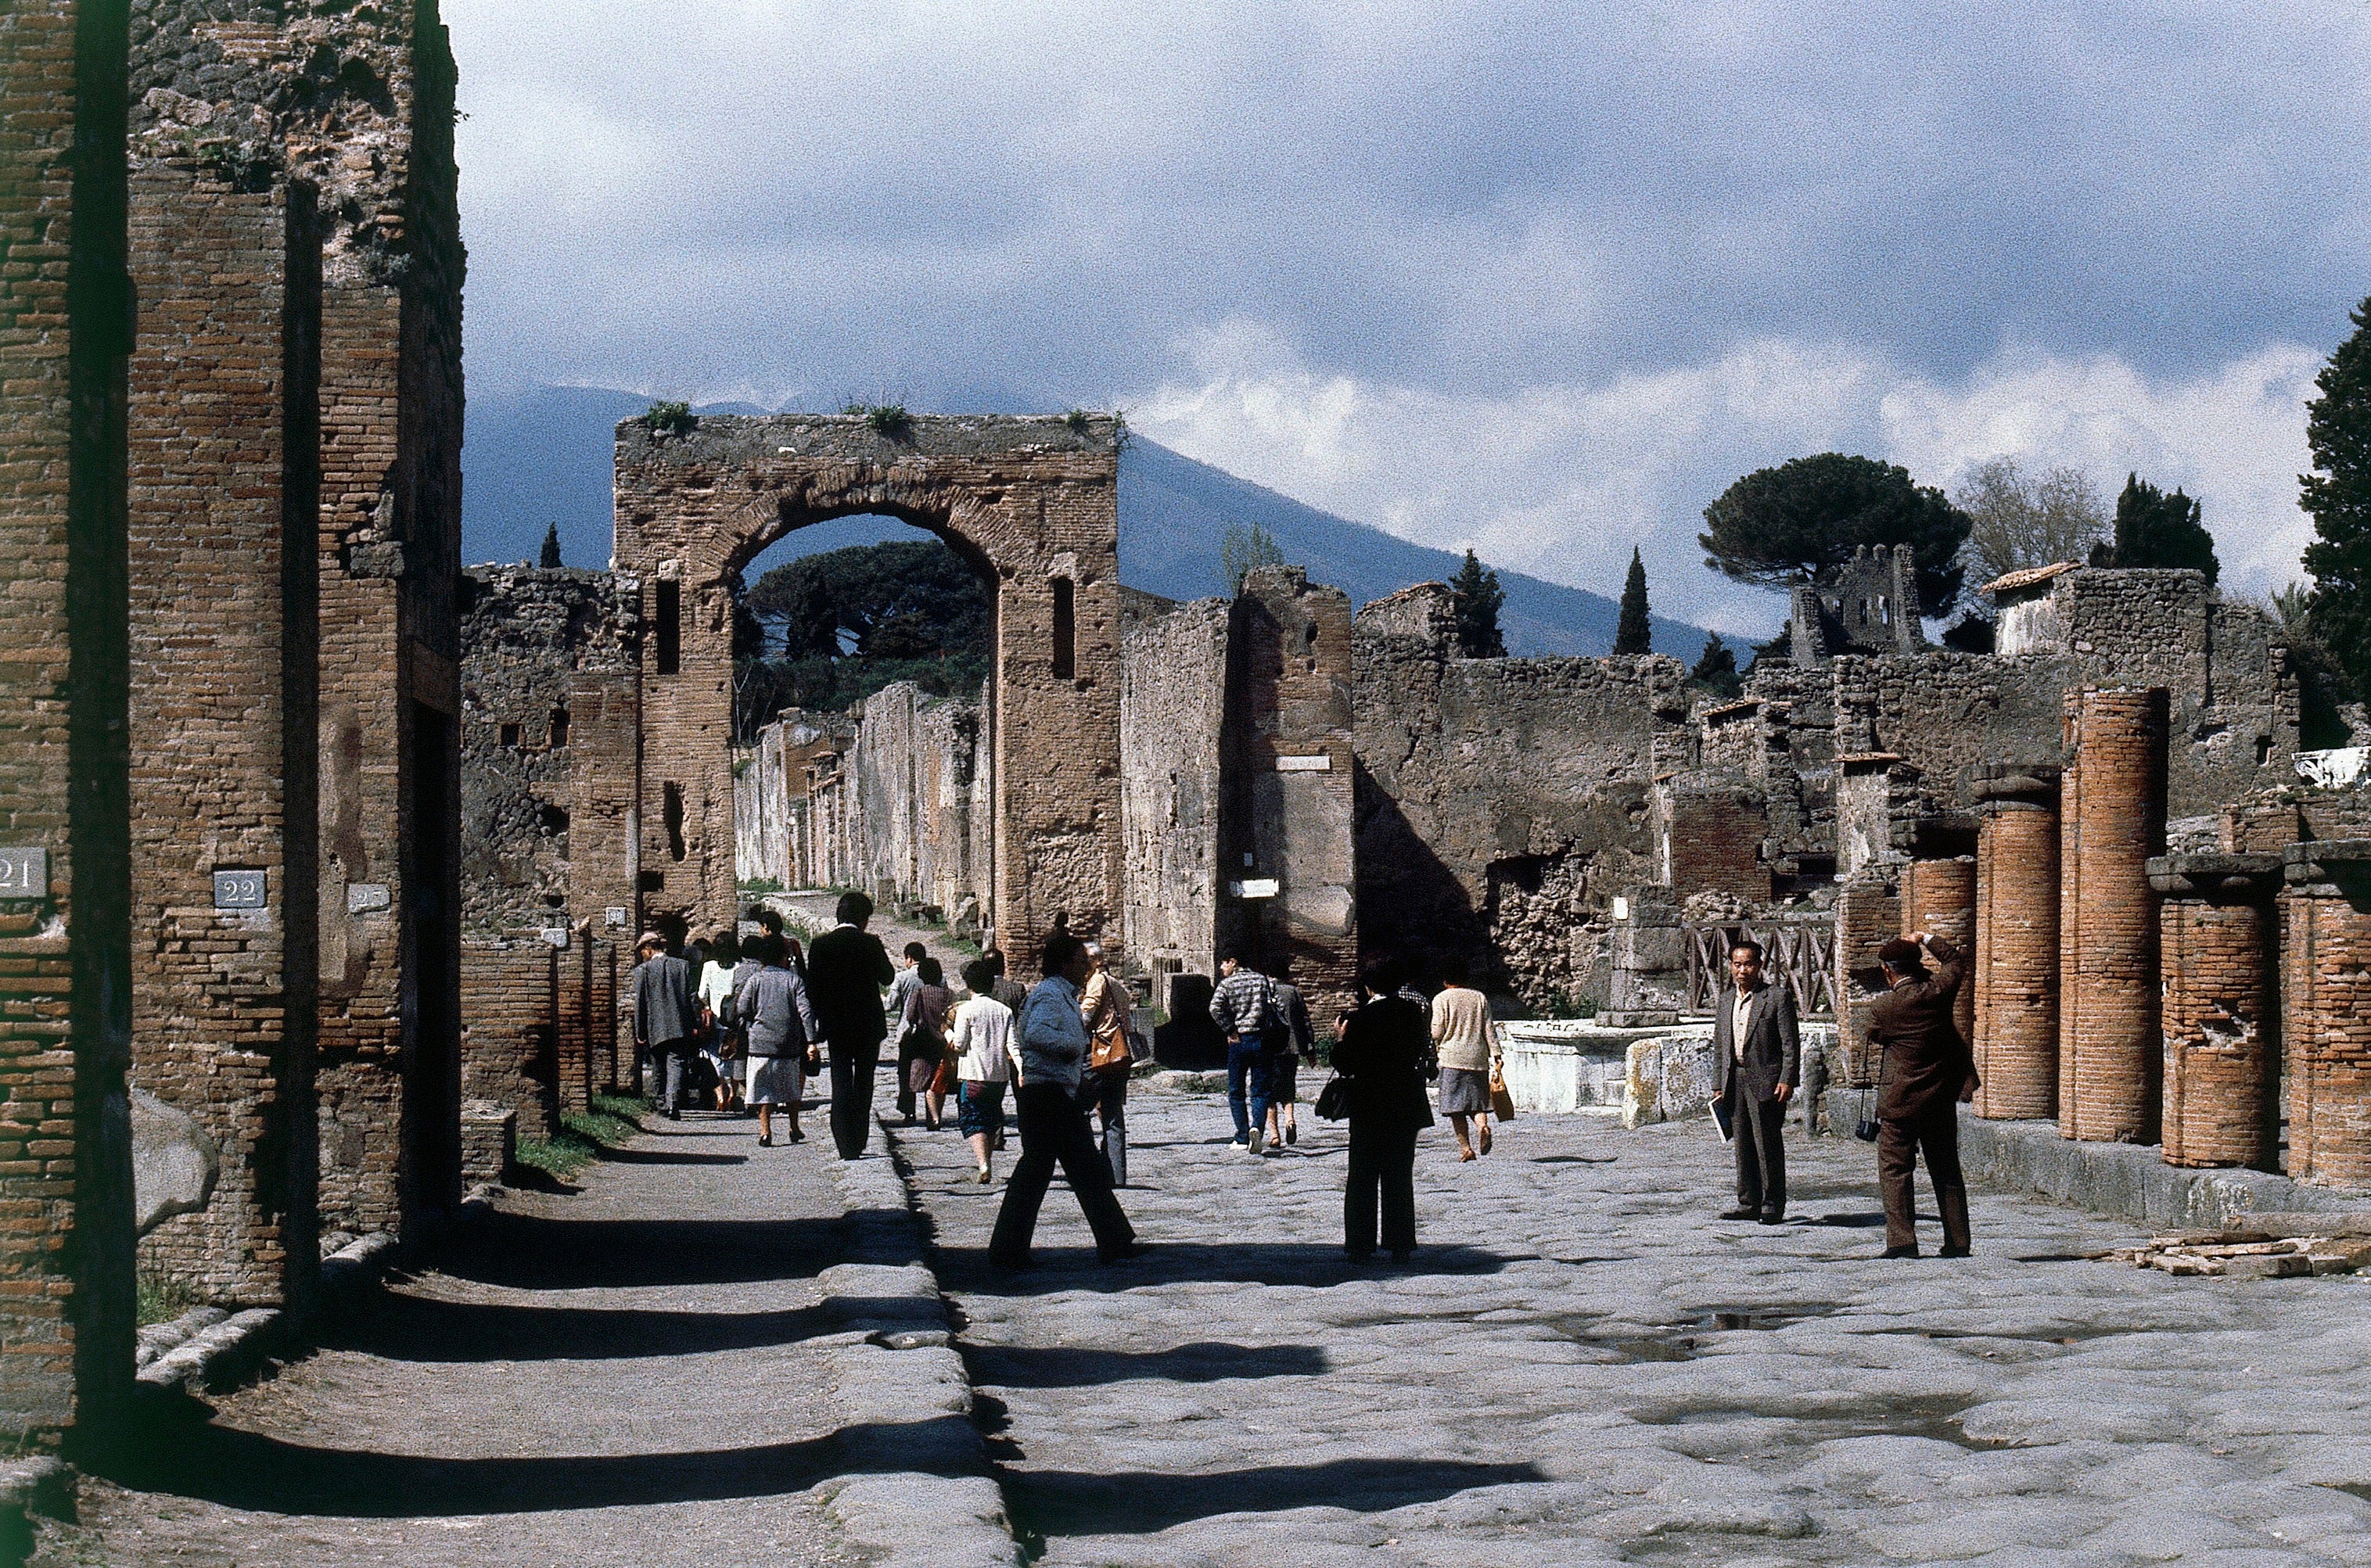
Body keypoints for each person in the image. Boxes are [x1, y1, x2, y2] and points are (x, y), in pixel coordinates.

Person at [987, 933, 1139, 1268]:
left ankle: (1115, 1240)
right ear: (1065, 963)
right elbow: (1036, 1035)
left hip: (1059, 1092)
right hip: (1047, 1094)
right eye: (1081, 960)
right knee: (1038, 1170)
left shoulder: (1063, 995)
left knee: (1081, 1168)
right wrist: (1072, 1047)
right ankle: (1007, 1249)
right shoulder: (1050, 996)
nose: (1086, 966)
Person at [1869, 931, 1978, 1258]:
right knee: (1946, 1169)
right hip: (1939, 1099)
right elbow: (1956, 961)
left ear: (1887, 971)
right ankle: (1957, 1241)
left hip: (1899, 1102)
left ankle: (1903, 1241)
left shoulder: (1883, 1007)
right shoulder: (1937, 993)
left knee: (1895, 1170)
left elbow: (1874, 1034)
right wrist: (1925, 938)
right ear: (1916, 968)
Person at [1333, 956, 1435, 1262]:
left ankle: (1361, 1245)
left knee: (1362, 1176)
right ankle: (1400, 1242)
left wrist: (1340, 1039)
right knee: (1399, 1176)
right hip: (1405, 1102)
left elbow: (1345, 1063)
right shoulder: (1412, 1014)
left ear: (1368, 986)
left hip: (1370, 1103)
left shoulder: (1360, 1019)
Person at [1712, 938, 1801, 1224]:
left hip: (1767, 1079)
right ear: (1730, 966)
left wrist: (1787, 1079)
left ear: (1759, 965)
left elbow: (1790, 1044)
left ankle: (1772, 1203)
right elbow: (1719, 1044)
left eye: (1749, 964)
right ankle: (1748, 1201)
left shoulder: (1776, 997)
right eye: (1737, 964)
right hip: (1734, 1078)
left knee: (1767, 1143)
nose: (1743, 971)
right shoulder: (1726, 1000)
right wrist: (1718, 1082)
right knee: (1742, 1143)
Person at [805, 891, 896, 1158]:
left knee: (840, 1080)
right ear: (863, 918)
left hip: (836, 1025)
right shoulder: (870, 943)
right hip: (868, 1024)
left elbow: (812, 989)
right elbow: (888, 977)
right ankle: (859, 1137)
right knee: (865, 1081)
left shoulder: (821, 945)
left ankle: (844, 1142)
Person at [736, 932, 821, 1146]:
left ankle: (765, 1131)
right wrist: (811, 1042)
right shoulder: (794, 981)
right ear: (784, 957)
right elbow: (806, 1013)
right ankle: (794, 1126)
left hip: (760, 1043)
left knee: (763, 1088)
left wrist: (754, 1020)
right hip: (788, 1043)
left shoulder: (755, 980)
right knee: (791, 1087)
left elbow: (742, 1008)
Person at [951, 956, 1015, 1183]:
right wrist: (1022, 1069)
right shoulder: (1005, 1011)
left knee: (972, 1118)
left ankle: (983, 1163)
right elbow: (1012, 1045)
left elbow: (959, 1045)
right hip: (999, 1077)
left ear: (969, 985)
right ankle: (987, 1161)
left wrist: (947, 1034)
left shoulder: (966, 1010)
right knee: (990, 1117)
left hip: (973, 1074)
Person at [1429, 956, 1500, 1161]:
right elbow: (1489, 1030)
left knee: (1456, 1108)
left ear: (1445, 980)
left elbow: (1437, 1031)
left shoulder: (1441, 999)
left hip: (1452, 1058)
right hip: (1477, 1058)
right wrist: (1497, 1054)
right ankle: (1483, 1126)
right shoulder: (1479, 997)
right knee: (1478, 1103)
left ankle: (1466, 1148)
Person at [1209, 953, 1278, 1154]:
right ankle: (1257, 1126)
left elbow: (1214, 1008)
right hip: (1261, 1039)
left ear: (1233, 961)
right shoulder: (1262, 980)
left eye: (1223, 964)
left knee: (1236, 1090)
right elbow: (1273, 1005)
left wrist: (1230, 1029)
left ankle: (1241, 1135)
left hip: (1238, 1040)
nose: (1222, 969)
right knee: (1260, 1090)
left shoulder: (1227, 984)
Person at [1078, 942, 1134, 1186]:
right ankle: (1116, 1175)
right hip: (1119, 1057)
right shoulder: (1117, 984)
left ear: (1093, 961)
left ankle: (1086, 1168)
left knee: (1077, 1108)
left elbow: (1087, 1016)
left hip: (1101, 1054)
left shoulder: (1097, 982)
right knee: (1113, 1116)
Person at [631, 931, 702, 1119]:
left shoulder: (643, 971)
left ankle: (662, 1102)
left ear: (648, 949)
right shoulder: (682, 966)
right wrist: (695, 1023)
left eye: (642, 952)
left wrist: (640, 1031)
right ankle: (674, 1103)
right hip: (679, 1026)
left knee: (659, 1065)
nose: (642, 956)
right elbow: (692, 999)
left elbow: (640, 1004)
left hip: (655, 1027)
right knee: (676, 1063)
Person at [1263, 957, 1316, 1151]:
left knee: (1269, 1091)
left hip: (1268, 1047)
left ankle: (1275, 1135)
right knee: (1287, 1086)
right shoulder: (1294, 992)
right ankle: (1290, 1120)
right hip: (1291, 1047)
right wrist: (1310, 1049)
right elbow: (1305, 1022)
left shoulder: (1264, 991)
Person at [900, 955, 955, 1128]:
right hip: (943, 1042)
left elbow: (910, 1016)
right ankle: (934, 1115)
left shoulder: (920, 993)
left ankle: (919, 1115)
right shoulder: (949, 994)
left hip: (923, 1041)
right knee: (939, 1078)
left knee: (921, 1078)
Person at [698, 928, 744, 1114]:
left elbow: (701, 994)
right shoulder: (740, 966)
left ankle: (720, 1094)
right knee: (733, 1057)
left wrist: (709, 1006)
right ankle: (733, 1093)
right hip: (733, 1021)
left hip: (715, 1021)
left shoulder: (709, 966)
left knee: (715, 1058)